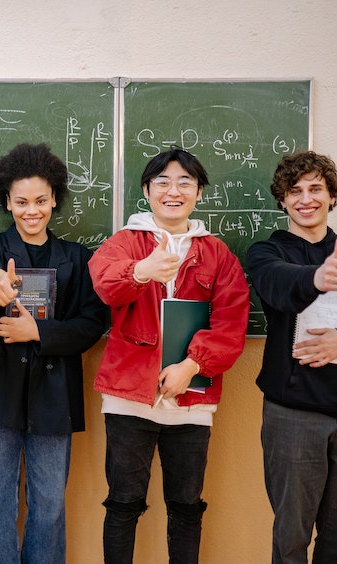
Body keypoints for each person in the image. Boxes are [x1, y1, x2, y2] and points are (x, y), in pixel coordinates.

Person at [0, 143, 107, 563]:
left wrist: (38, 330)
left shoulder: (78, 257)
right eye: (21, 202)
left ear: (54, 198)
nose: (31, 211)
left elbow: (92, 324)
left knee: (49, 506)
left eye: (40, 200)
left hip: (53, 396)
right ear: (7, 202)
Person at [88, 147, 249, 563]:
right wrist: (141, 271)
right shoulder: (125, 242)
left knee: (186, 507)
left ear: (198, 192)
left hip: (192, 401)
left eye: (184, 182)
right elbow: (106, 285)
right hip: (128, 398)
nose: (172, 191)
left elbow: (231, 323)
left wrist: (192, 365)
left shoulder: (218, 254)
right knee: (123, 503)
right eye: (162, 181)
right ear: (146, 190)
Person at [246, 151, 337, 564]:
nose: (306, 199)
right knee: (291, 538)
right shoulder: (266, 253)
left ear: (332, 196)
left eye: (316, 189)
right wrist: (316, 277)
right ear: (282, 199)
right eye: (294, 190)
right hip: (294, 415)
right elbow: (276, 284)